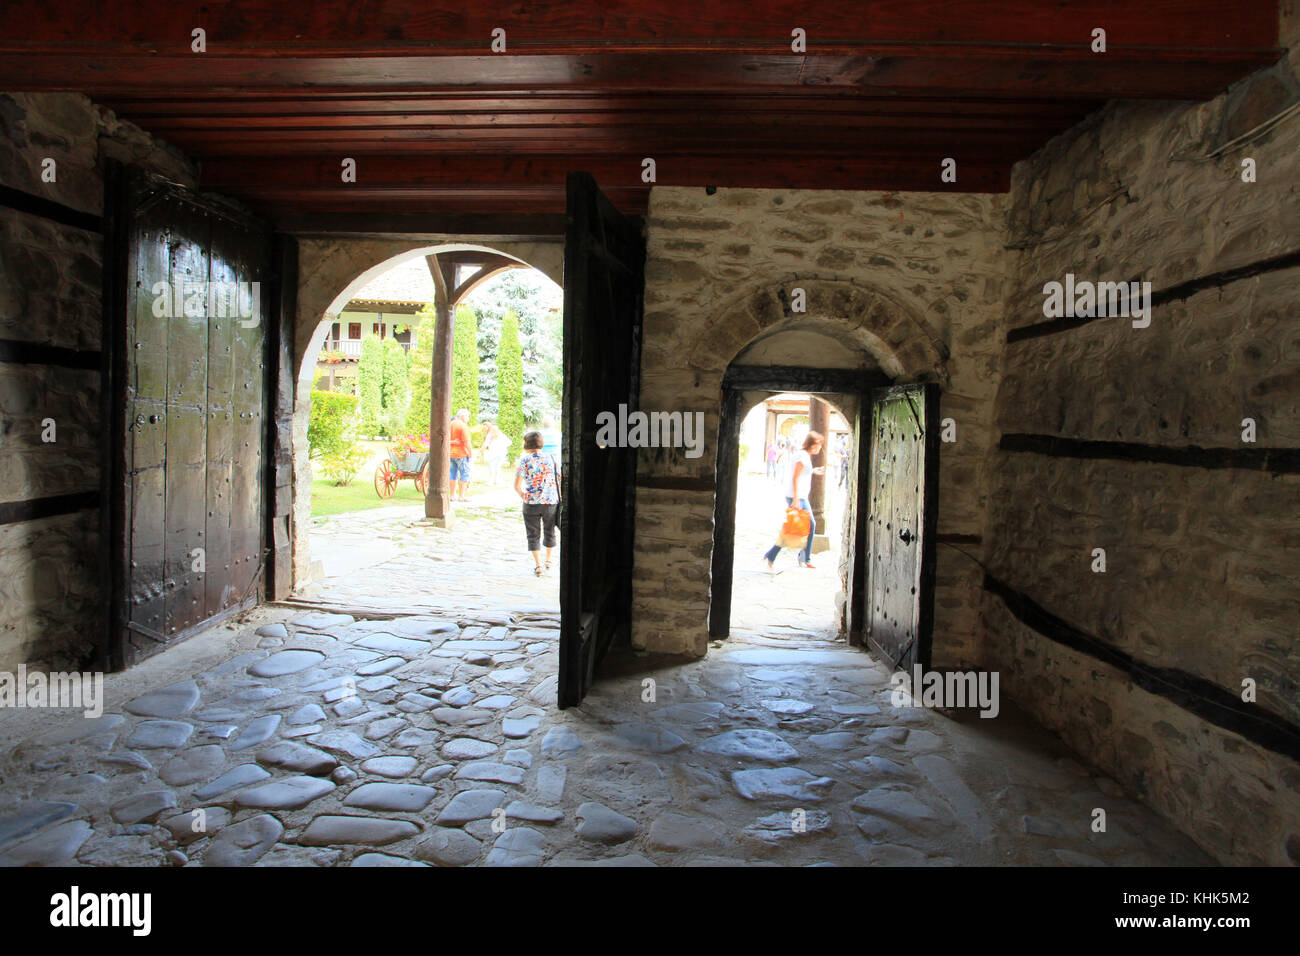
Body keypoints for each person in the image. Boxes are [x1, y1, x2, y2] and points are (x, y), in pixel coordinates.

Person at [763, 430, 825, 570]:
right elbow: (795, 477)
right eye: (819, 445)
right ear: (814, 444)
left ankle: (777, 555)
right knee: (797, 527)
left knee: (798, 527)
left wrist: (814, 471)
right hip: (797, 497)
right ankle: (803, 558)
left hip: (799, 496)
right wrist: (796, 499)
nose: (820, 448)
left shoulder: (803, 455)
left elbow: (801, 473)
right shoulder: (802, 456)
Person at [514, 429, 561, 576]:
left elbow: (516, 485)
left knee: (533, 534)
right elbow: (559, 478)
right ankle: (548, 560)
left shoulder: (524, 460)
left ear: (526, 444)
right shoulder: (552, 458)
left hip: (531, 503)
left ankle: (538, 565)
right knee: (549, 531)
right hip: (550, 502)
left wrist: (524, 496)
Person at [449, 408, 473, 502]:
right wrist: (470, 454)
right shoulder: (463, 426)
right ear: (462, 416)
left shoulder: (451, 424)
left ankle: (451, 495)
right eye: (467, 416)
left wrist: (452, 442)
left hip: (451, 453)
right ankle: (461, 496)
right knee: (465, 473)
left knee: (452, 474)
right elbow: (467, 442)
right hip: (461, 454)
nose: (468, 419)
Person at [482, 420, 510, 487]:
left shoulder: (492, 435)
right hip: (500, 453)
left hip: (495, 453)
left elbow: (485, 444)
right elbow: (509, 442)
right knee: (497, 466)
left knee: (492, 467)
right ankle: (496, 480)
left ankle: (493, 481)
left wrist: (480, 452)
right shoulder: (501, 435)